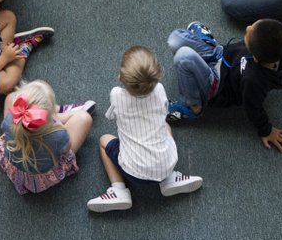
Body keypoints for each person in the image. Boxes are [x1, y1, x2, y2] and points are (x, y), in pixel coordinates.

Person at [166, 19, 282, 152]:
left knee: (182, 56)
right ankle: (209, 43)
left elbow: (254, 108)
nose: (248, 28)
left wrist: (266, 130)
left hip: (217, 84)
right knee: (174, 39)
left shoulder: (253, 80)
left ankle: (193, 107)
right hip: (221, 55)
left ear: (256, 58)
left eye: (249, 34)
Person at [87, 46, 203, 213]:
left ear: (121, 77)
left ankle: (119, 190)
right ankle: (169, 179)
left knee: (104, 140)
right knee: (166, 125)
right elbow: (164, 110)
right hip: (166, 164)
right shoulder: (160, 90)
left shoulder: (116, 95)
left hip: (133, 171)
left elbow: (111, 116)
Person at [0, 80, 95, 194]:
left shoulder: (10, 119)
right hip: (42, 176)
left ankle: (58, 112)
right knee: (84, 118)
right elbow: (67, 148)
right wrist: (56, 120)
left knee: (10, 97)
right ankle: (64, 113)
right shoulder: (58, 136)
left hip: (15, 167)